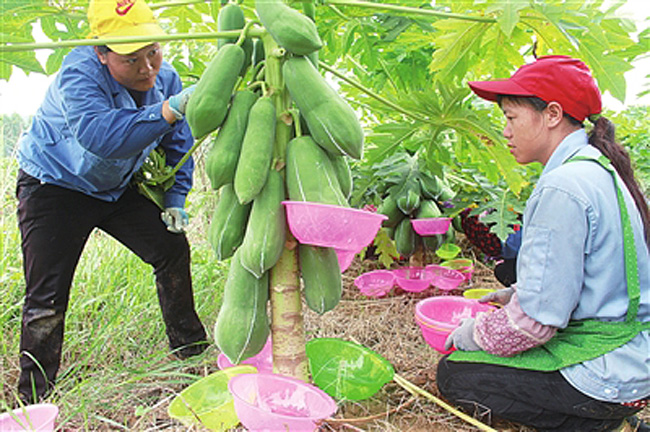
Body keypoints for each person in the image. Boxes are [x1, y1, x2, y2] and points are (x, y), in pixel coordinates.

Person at [437, 55, 650, 432]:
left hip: (607, 372)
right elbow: (586, 275)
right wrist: (517, 293)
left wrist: (472, 335)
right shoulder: (598, 170)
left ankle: (605, 425)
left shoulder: (563, 187)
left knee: (455, 374)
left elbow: (535, 325)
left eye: (510, 117)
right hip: (633, 356)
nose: (505, 131)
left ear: (552, 114)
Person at [15, 0, 207, 404]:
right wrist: (168, 109)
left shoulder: (165, 77)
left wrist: (174, 197)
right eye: (131, 59)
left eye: (153, 51)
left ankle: (191, 355)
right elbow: (101, 136)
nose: (147, 68)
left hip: (115, 189)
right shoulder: (78, 73)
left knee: (171, 249)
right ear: (101, 54)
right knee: (46, 298)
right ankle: (32, 399)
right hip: (54, 187)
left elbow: (178, 141)